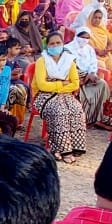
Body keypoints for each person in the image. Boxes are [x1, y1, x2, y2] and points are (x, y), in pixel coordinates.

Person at [32, 34, 88, 163]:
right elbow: (42, 85)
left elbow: (75, 84)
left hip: (64, 94)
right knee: (59, 111)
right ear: (47, 46)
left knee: (76, 109)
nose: (55, 46)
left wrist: (58, 87)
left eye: (58, 43)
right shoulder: (42, 61)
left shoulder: (69, 60)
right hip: (43, 96)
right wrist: (61, 84)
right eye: (52, 44)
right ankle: (62, 149)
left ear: (63, 44)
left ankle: (74, 146)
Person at [68, 27, 112, 129]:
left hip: (89, 78)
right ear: (77, 36)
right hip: (74, 80)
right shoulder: (68, 49)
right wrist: (85, 76)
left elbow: (93, 64)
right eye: (82, 37)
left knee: (102, 84)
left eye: (87, 38)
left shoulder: (89, 49)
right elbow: (69, 68)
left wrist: (92, 73)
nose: (84, 40)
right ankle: (83, 119)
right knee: (78, 90)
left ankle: (100, 118)